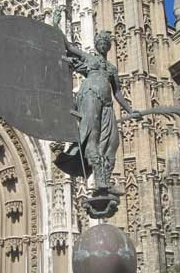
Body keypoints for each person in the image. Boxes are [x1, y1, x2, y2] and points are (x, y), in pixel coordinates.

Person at [55, 31, 141, 195]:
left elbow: (118, 94)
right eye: (100, 41)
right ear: (96, 44)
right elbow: (68, 46)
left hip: (107, 104)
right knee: (91, 136)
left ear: (108, 47)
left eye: (105, 42)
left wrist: (131, 110)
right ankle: (100, 181)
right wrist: (57, 26)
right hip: (90, 95)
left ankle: (106, 180)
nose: (102, 44)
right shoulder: (89, 58)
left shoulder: (111, 68)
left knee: (113, 141)